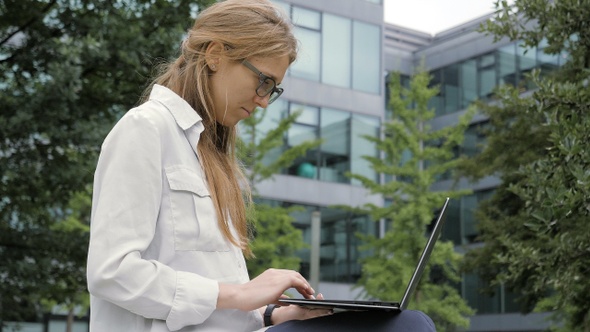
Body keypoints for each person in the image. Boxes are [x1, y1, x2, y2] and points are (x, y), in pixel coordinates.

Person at [86, 0, 437, 331]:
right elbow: (111, 272)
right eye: (263, 81)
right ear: (215, 55)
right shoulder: (146, 129)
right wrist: (240, 293)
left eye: (273, 89)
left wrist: (273, 312)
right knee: (409, 327)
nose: (264, 101)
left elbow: (219, 298)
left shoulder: (209, 153)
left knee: (405, 321)